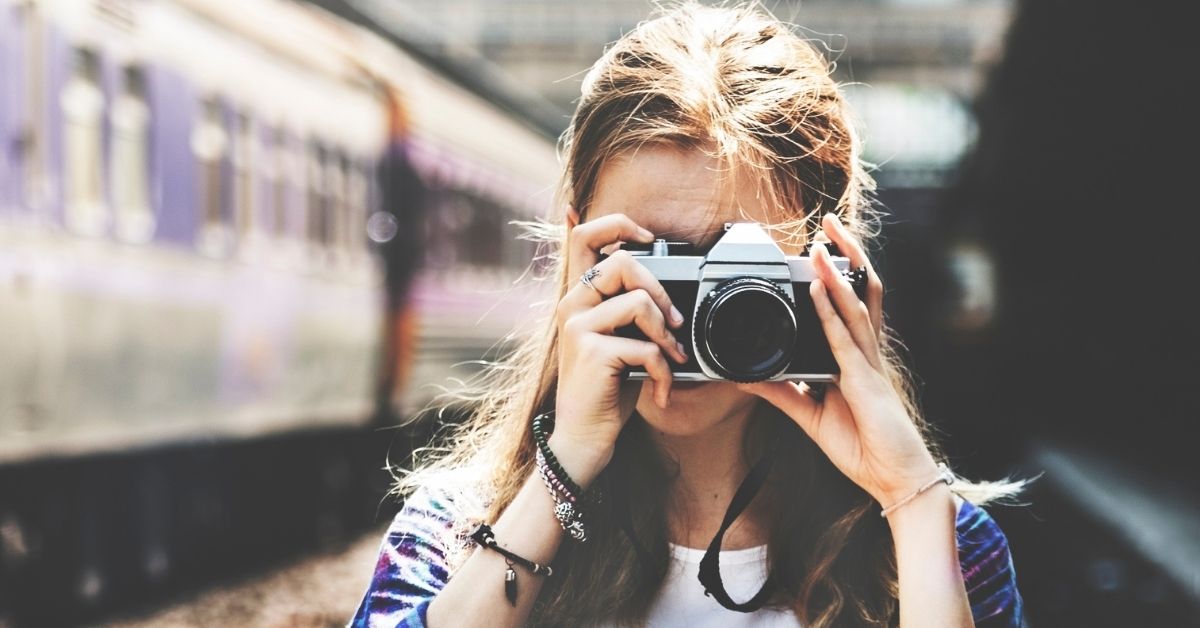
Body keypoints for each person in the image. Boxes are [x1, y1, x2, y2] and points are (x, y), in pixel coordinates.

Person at [350, 3, 1025, 626]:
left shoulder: (942, 550)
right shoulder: (456, 535)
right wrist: (563, 469)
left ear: (830, 269)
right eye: (649, 259)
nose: (685, 316)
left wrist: (911, 501)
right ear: (577, 253)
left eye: (737, 271)